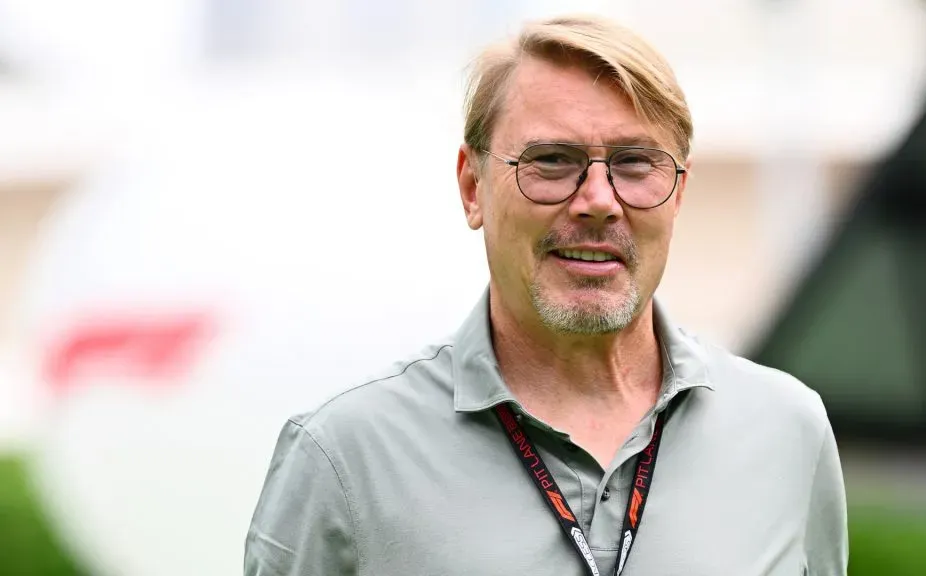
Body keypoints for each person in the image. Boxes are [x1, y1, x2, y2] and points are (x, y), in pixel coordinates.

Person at [243, 14, 848, 576]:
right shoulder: (346, 458)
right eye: (552, 161)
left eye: (635, 163)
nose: (599, 200)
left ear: (679, 192)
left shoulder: (786, 431)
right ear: (472, 186)